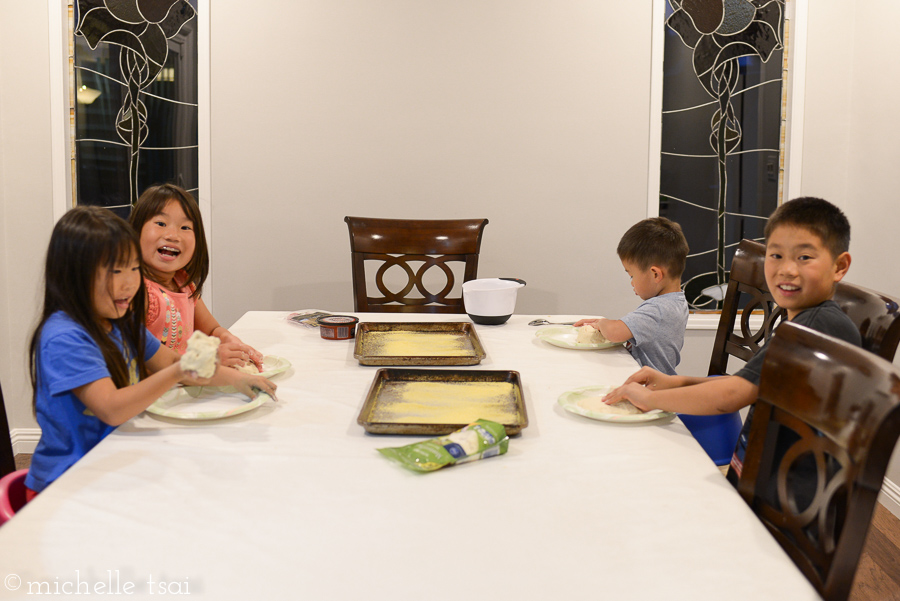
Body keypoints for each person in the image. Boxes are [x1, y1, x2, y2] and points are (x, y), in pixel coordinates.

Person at [601, 197, 861, 485]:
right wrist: (671, 381)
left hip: (779, 496)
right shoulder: (803, 322)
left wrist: (650, 399)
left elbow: (732, 396)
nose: (787, 269)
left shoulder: (815, 327)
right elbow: (743, 383)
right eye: (776, 255)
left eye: (804, 257)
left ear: (840, 266)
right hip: (758, 475)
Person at [25, 207, 277, 499]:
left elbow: (171, 360)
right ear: (72, 275)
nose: (130, 282)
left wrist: (235, 379)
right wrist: (178, 372)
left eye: (133, 268)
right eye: (114, 271)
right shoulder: (65, 337)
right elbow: (111, 407)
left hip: (113, 461)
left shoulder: (122, 323)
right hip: (68, 483)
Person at [130, 184, 262, 369]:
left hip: (185, 385)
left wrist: (228, 339)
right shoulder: (134, 291)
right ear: (134, 231)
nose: (173, 235)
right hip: (153, 392)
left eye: (185, 227)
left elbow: (212, 329)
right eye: (161, 224)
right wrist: (207, 360)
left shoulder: (183, 282)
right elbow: (135, 360)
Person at [574, 217, 689, 375]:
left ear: (655, 274)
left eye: (631, 275)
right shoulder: (676, 301)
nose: (631, 283)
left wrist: (602, 323)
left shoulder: (659, 309)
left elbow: (615, 332)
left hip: (649, 388)